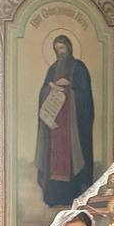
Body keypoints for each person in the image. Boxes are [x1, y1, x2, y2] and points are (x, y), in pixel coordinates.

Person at [34, 35, 95, 208]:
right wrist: (51, 89)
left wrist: (70, 91)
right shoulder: (52, 69)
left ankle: (74, 195)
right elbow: (43, 93)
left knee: (72, 158)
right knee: (54, 160)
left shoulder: (79, 68)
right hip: (55, 128)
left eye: (62, 48)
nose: (60, 52)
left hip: (72, 125)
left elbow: (86, 97)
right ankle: (54, 196)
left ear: (69, 48)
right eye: (57, 49)